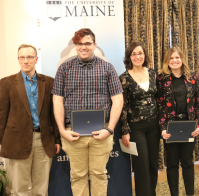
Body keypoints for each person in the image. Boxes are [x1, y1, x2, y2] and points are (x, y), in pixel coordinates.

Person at [52, 28, 123, 196]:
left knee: (99, 174)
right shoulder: (64, 68)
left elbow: (118, 100)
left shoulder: (107, 68)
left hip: (101, 132)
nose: (83, 47)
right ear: (75, 45)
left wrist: (110, 129)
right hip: (73, 133)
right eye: (79, 43)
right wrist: (62, 130)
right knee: (77, 176)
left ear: (94, 45)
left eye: (87, 43)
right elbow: (57, 100)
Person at [0, 44, 60, 195]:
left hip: (44, 140)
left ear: (36, 59)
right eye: (22, 57)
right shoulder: (6, 83)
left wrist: (57, 139)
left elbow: (54, 114)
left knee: (41, 188)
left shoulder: (49, 82)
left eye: (29, 57)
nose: (25, 61)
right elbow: (1, 115)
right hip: (16, 141)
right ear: (18, 59)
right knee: (19, 189)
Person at [156, 47, 199, 196]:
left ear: (182, 59)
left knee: (188, 163)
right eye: (171, 58)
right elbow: (160, 105)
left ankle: (190, 193)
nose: (174, 61)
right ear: (166, 62)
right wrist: (163, 127)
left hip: (189, 125)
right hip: (170, 127)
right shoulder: (161, 79)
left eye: (177, 57)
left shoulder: (193, 77)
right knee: (173, 164)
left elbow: (198, 103)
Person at [119, 41, 160, 196]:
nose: (137, 56)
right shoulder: (123, 78)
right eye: (134, 54)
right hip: (136, 127)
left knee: (152, 164)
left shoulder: (153, 73)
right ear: (129, 57)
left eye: (140, 53)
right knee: (141, 164)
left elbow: (158, 99)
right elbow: (123, 106)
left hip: (154, 125)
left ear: (145, 55)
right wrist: (125, 130)